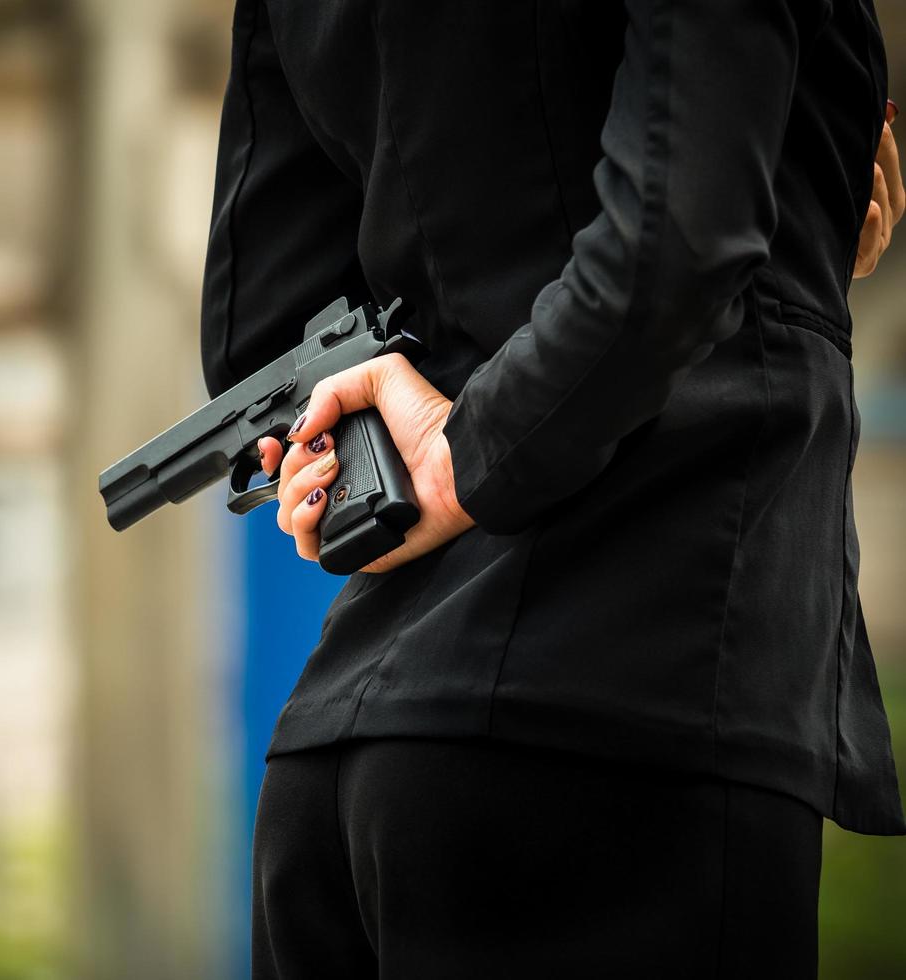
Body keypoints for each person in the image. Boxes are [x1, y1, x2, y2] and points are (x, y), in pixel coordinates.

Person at [198, 1, 906, 976]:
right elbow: (679, 240)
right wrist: (460, 458)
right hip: (627, 716)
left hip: (342, 763)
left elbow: (263, 339)